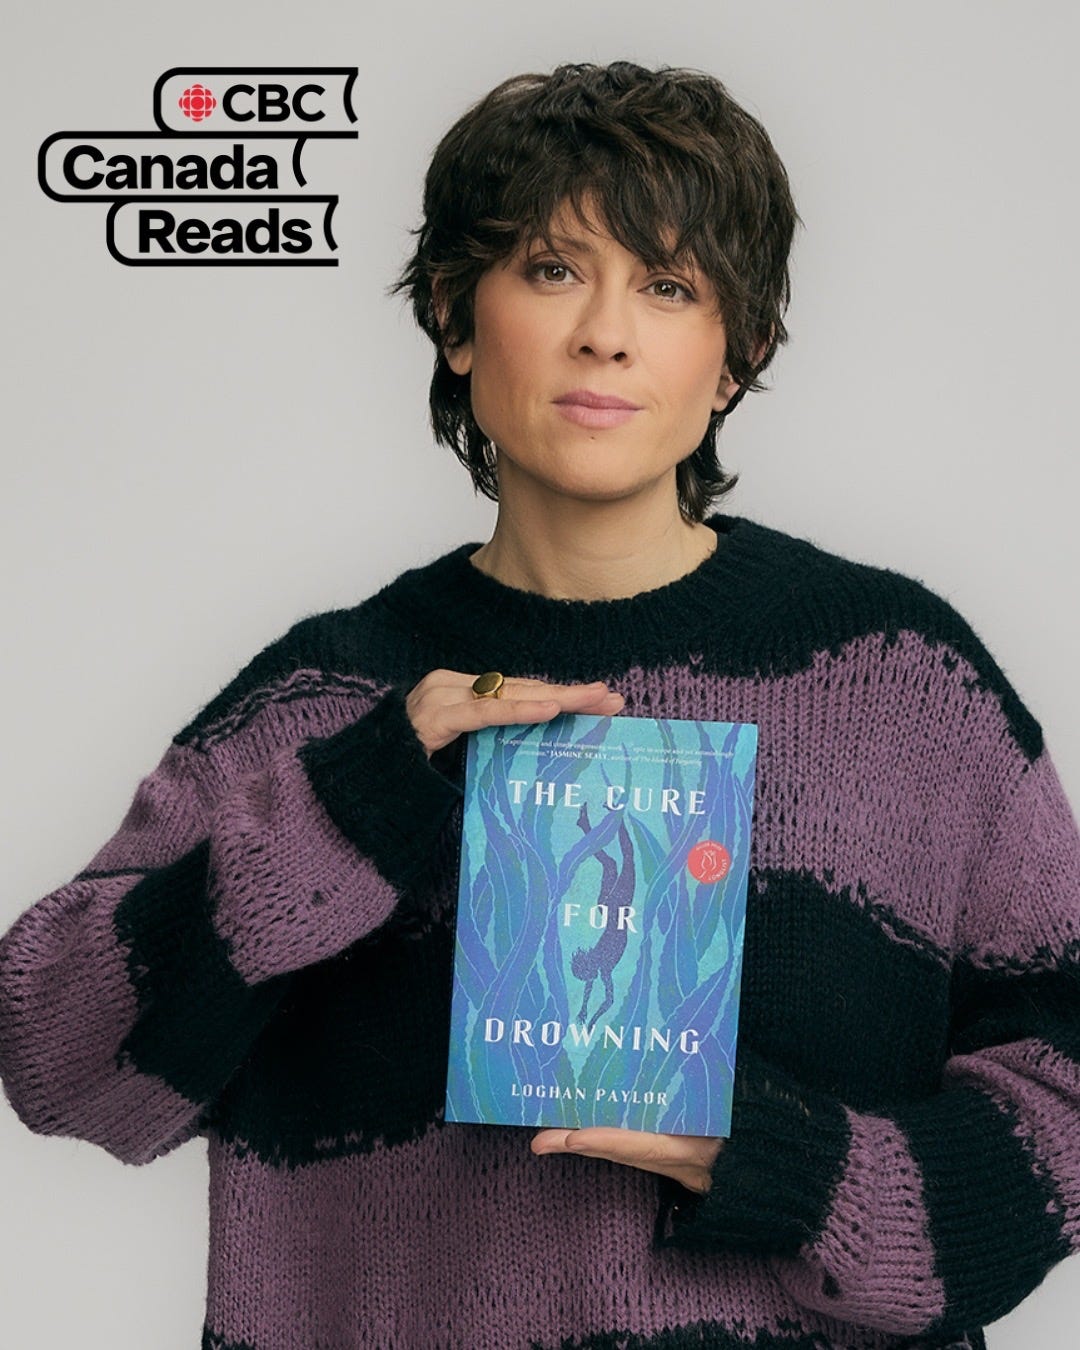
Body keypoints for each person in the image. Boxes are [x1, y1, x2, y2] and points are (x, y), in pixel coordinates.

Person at [1, 58, 1078, 1350]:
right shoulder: (324, 701)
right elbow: (56, 1057)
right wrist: (361, 802)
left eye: (670, 286)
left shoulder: (905, 683)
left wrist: (796, 1169)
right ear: (458, 318)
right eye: (553, 270)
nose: (606, 332)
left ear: (735, 355)